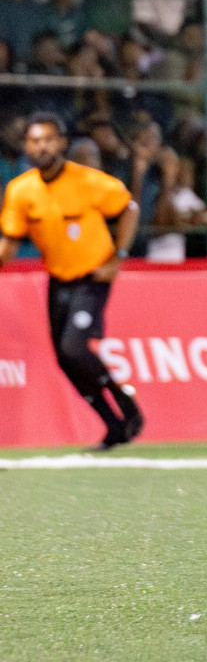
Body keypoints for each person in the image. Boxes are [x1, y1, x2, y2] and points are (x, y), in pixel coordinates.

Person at [0, 112, 144, 450]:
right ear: (26, 147)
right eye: (35, 141)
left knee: (74, 347)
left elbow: (130, 209)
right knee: (65, 359)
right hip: (59, 279)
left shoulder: (88, 181)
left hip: (93, 275)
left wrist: (118, 257)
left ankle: (125, 402)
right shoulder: (21, 191)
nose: (42, 146)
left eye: (49, 139)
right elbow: (9, 241)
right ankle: (113, 426)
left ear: (63, 143)